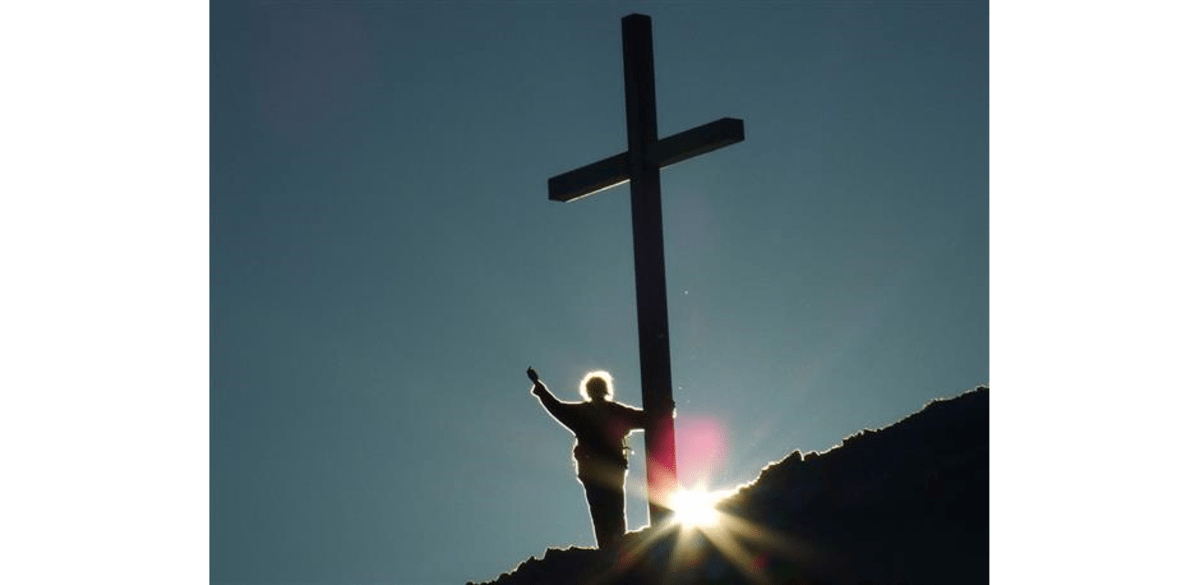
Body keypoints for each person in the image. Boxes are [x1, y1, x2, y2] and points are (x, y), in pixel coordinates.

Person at [528, 367, 647, 549]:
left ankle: (610, 548)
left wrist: (539, 388)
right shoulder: (614, 411)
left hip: (593, 468)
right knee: (613, 509)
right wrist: (663, 412)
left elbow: (556, 407)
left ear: (589, 391)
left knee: (602, 511)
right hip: (607, 468)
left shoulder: (587, 412)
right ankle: (615, 547)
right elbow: (645, 418)